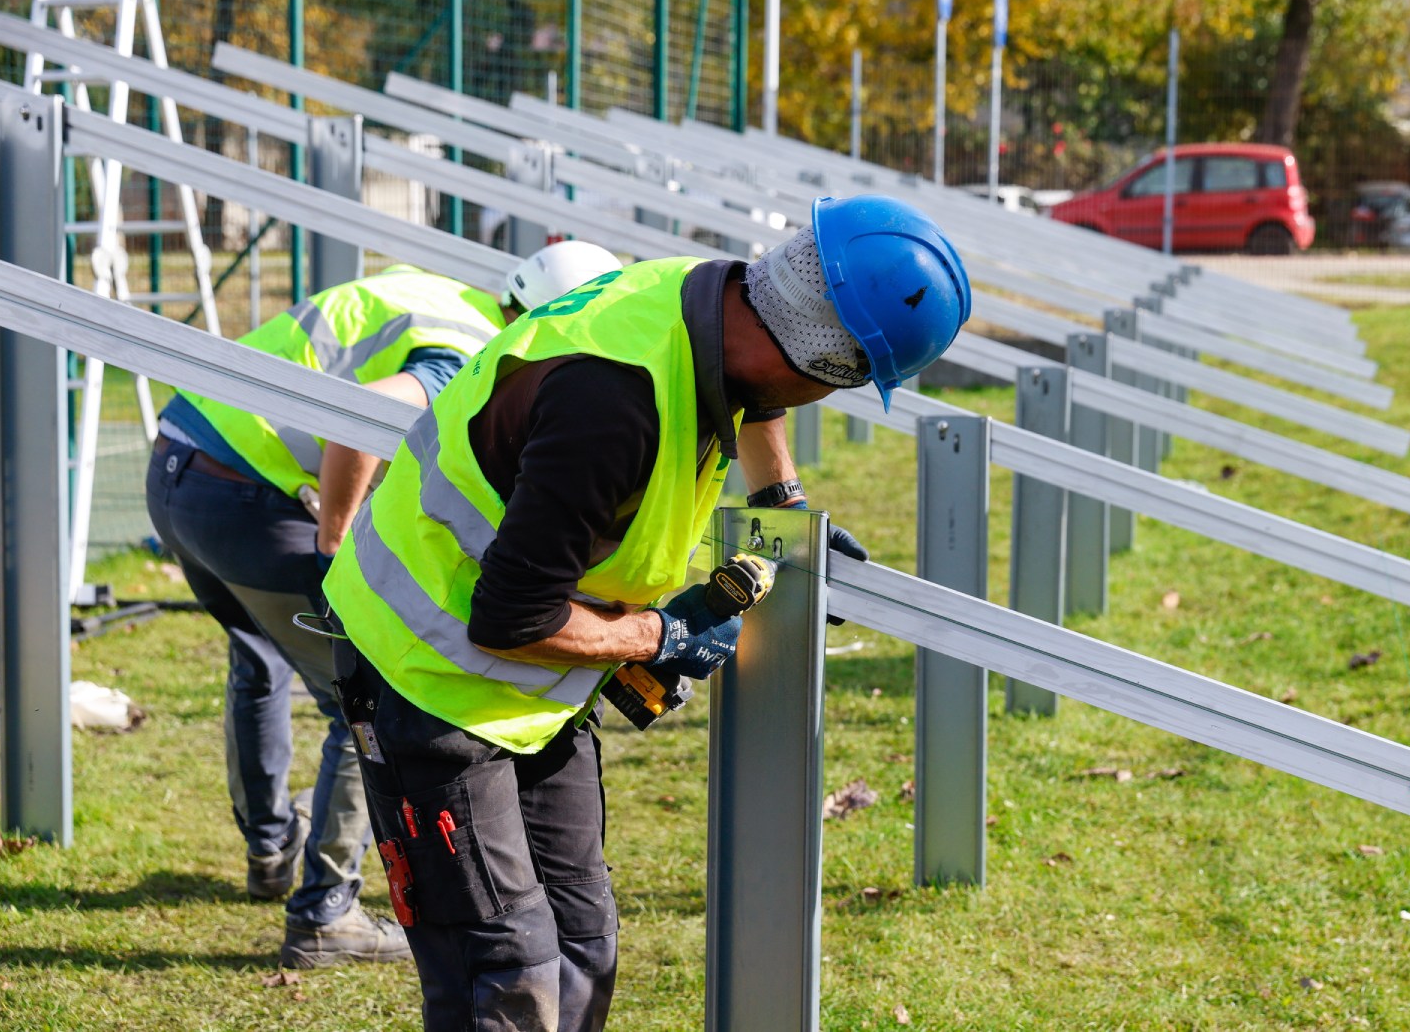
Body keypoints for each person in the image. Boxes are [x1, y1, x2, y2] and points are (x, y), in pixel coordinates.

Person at [322, 194, 970, 1030]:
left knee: (583, 943)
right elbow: (510, 617)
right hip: (425, 678)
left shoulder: (711, 302)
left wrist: (784, 505)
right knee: (505, 967)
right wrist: (659, 634)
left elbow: (759, 397)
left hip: (525, 685)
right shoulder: (614, 404)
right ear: (825, 361)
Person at [144, 241, 622, 970]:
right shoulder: (468, 350)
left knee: (260, 657)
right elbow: (358, 418)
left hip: (181, 459)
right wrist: (336, 545)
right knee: (361, 692)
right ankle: (324, 913)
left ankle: (272, 850)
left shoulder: (438, 293)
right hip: (247, 490)